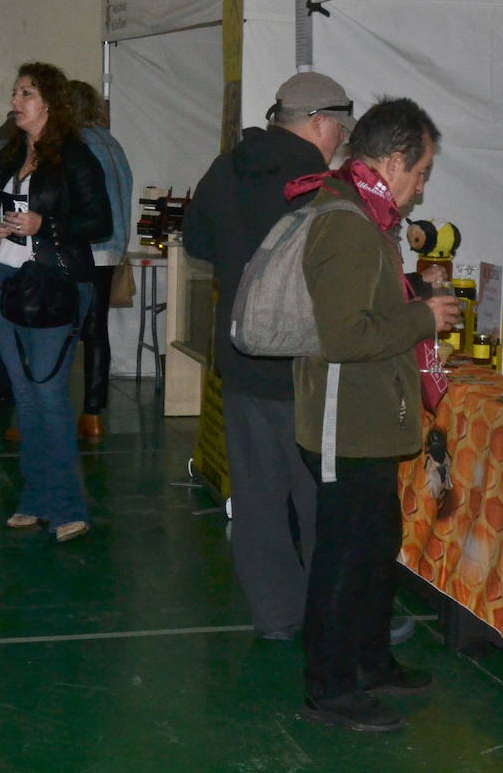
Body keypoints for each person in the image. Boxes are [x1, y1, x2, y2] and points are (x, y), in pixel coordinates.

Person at [290, 98, 458, 732]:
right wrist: (424, 317)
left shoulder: (364, 212)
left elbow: (360, 303)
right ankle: (329, 689)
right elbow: (343, 335)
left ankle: (367, 660)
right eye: (420, 172)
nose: (420, 188)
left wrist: (411, 295)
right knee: (344, 555)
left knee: (374, 544)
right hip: (344, 421)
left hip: (365, 418)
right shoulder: (348, 223)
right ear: (391, 161)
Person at [184, 72, 356, 640]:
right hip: (305, 365)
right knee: (323, 499)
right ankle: (336, 614)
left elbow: (197, 244)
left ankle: (277, 615)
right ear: (319, 123)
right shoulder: (318, 185)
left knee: (257, 497)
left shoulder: (223, 168)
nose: (340, 144)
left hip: (240, 356)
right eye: (339, 132)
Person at [0, 62, 112, 543]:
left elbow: (99, 221)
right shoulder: (13, 151)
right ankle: (35, 497)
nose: (16, 101)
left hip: (55, 283)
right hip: (8, 280)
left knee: (49, 393)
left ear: (50, 104)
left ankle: (68, 506)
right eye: (16, 91)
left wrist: (47, 227)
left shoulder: (76, 157)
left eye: (27, 93)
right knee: (26, 394)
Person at [69, 80, 134, 439]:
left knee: (69, 328)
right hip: (112, 246)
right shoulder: (112, 142)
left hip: (87, 246)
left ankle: (72, 410)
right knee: (97, 330)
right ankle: (93, 411)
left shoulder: (76, 146)